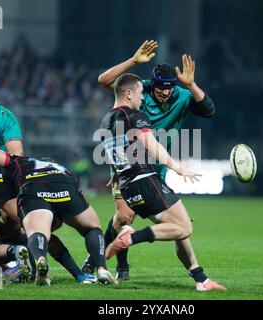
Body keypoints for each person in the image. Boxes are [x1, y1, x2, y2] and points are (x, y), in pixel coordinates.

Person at [83, 40, 216, 280]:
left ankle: (199, 276)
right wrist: (133, 61)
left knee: (177, 226)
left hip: (156, 171)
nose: (165, 91)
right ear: (149, 85)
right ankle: (106, 262)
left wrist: (191, 84)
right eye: (160, 87)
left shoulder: (182, 96)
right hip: (130, 167)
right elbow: (104, 81)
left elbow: (208, 110)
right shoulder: (138, 92)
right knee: (125, 216)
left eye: (170, 87)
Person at [99, 73, 225, 291]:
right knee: (183, 227)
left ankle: (200, 278)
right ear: (128, 94)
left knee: (177, 227)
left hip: (128, 187)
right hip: (145, 180)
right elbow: (151, 146)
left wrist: (117, 173)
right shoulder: (135, 116)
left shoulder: (106, 120)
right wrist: (177, 167)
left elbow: (112, 155)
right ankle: (131, 236)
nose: (142, 99)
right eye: (139, 94)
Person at [0, 146, 116, 286]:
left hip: (31, 190)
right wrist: (77, 274)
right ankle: (102, 269)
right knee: (92, 228)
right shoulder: (62, 169)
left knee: (38, 234)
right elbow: (54, 237)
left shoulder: (20, 162)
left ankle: (40, 261)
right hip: (65, 186)